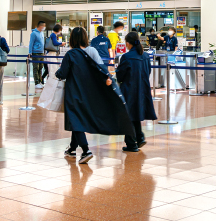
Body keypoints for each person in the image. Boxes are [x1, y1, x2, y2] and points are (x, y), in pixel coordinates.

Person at [56, 27, 134, 164]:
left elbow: (62, 74)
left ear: (72, 39)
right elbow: (100, 68)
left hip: (74, 91)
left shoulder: (70, 54)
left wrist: (57, 73)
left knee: (75, 120)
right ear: (85, 38)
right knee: (77, 119)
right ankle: (72, 148)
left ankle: (86, 150)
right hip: (89, 91)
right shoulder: (91, 50)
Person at [116, 32, 157, 152]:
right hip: (142, 88)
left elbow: (120, 76)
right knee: (135, 114)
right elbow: (148, 71)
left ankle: (131, 144)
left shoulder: (127, 57)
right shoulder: (144, 56)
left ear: (128, 43)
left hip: (129, 89)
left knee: (128, 116)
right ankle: (139, 137)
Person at [29, 20, 46, 85]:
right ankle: (36, 82)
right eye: (43, 26)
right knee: (36, 68)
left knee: (41, 68)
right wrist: (30, 52)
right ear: (40, 26)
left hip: (41, 53)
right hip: (35, 52)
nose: (44, 27)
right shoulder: (33, 33)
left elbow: (43, 43)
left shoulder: (42, 33)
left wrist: (44, 52)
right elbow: (31, 43)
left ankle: (40, 81)